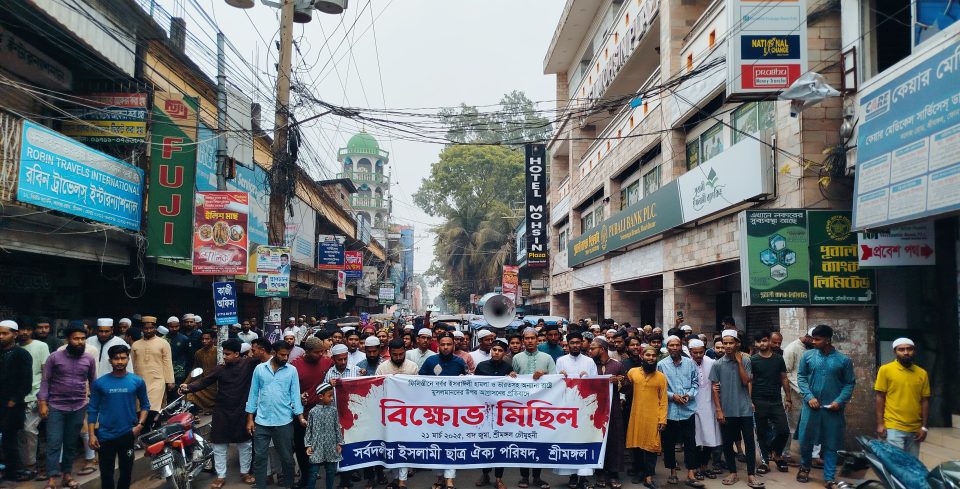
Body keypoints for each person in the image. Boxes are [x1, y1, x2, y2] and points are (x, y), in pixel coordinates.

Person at [181, 339, 259, 487]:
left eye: (228, 354)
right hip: (222, 411)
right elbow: (204, 381)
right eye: (224, 353)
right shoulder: (220, 369)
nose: (224, 356)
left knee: (245, 444)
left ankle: (245, 473)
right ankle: (221, 476)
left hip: (242, 411)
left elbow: (265, 357)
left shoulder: (249, 364)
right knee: (219, 445)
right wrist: (188, 387)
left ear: (237, 354)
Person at [794, 325, 855, 488]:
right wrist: (809, 397)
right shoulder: (807, 356)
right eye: (813, 338)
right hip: (811, 407)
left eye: (817, 339)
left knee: (831, 443)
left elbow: (849, 383)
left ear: (827, 340)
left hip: (832, 410)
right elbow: (801, 377)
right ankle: (805, 467)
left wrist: (839, 401)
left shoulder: (843, 360)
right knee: (806, 440)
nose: (813, 342)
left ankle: (829, 477)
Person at [38, 323, 97, 489]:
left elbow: (93, 383)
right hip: (56, 406)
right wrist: (43, 402)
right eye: (76, 338)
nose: (80, 341)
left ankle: (67, 475)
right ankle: (51, 479)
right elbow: (45, 381)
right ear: (68, 339)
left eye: (83, 338)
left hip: (79, 406)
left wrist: (95, 404)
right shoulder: (55, 357)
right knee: (54, 442)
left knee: (71, 443)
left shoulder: (89, 359)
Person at [87, 345, 149, 489]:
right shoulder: (99, 383)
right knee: (106, 474)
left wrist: (140, 425)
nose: (120, 361)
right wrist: (91, 435)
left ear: (128, 359)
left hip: (127, 434)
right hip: (105, 435)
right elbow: (92, 409)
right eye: (116, 358)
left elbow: (145, 405)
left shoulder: (137, 381)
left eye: (123, 358)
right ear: (110, 360)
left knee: (126, 472)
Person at [246, 341, 306, 489]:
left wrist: (300, 417)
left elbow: (295, 396)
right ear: (274, 352)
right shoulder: (259, 369)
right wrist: (250, 419)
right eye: (282, 355)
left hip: (284, 421)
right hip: (261, 421)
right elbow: (253, 394)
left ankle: (289, 485)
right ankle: (260, 486)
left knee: (287, 459)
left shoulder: (291, 370)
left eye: (287, 355)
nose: (285, 358)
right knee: (259, 458)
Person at [708, 329, 763, 488]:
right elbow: (714, 388)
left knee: (749, 443)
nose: (728, 346)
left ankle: (751, 475)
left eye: (731, 343)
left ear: (737, 343)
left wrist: (739, 362)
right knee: (727, 443)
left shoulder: (746, 360)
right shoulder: (717, 364)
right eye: (725, 343)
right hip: (727, 410)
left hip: (744, 409)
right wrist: (719, 410)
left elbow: (746, 381)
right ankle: (733, 472)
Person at [418, 335, 466, 489]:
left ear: (454, 345)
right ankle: (439, 478)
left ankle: (450, 480)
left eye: (449, 344)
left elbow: (468, 384)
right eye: (443, 344)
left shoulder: (460, 362)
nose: (446, 347)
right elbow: (419, 382)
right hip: (433, 411)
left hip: (454, 412)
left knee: (451, 444)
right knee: (435, 443)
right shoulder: (431, 361)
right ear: (438, 345)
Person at [511, 327, 555, 489]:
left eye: (532, 338)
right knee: (523, 442)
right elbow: (512, 380)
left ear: (538, 340)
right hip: (522, 407)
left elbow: (555, 381)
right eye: (526, 338)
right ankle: (524, 477)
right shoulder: (517, 358)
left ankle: (537, 477)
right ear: (523, 341)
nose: (529, 341)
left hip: (541, 408)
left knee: (539, 442)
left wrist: (544, 375)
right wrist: (512, 376)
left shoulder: (547, 358)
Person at [656, 336, 701, 488]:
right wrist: (672, 396)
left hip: (688, 410)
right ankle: (672, 473)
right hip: (670, 411)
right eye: (671, 345)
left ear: (681, 347)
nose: (674, 348)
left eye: (677, 345)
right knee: (669, 443)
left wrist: (689, 395)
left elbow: (696, 383)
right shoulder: (661, 365)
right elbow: (659, 387)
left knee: (690, 442)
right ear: (667, 347)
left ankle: (691, 473)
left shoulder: (690, 363)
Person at [875, 338, 930, 457]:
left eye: (909, 349)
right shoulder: (885, 370)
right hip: (893, 426)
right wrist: (880, 423)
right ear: (895, 352)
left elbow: (925, 401)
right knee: (897, 463)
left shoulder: (922, 373)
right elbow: (880, 397)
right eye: (901, 349)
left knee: (912, 465)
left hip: (915, 429)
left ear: (914, 351)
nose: (906, 352)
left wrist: (924, 427)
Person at [290, 337, 334, 489]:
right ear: (307, 352)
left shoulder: (327, 361)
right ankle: (305, 478)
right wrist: (298, 397)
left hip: (322, 414)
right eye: (317, 352)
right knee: (303, 449)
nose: (321, 354)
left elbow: (341, 369)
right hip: (301, 415)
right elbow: (287, 389)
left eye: (323, 351)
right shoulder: (294, 365)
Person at [625, 346, 668, 489]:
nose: (650, 358)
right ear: (642, 356)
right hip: (636, 416)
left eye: (653, 356)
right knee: (636, 446)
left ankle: (648, 477)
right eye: (647, 355)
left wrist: (662, 419)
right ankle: (639, 472)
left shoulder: (661, 377)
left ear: (656, 358)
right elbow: (624, 388)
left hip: (653, 417)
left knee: (651, 448)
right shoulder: (632, 373)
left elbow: (663, 400)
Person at [750, 331, 792, 474]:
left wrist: (788, 398)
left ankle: (777, 454)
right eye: (758, 341)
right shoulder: (753, 360)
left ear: (769, 341)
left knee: (784, 431)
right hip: (758, 401)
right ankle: (764, 462)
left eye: (764, 340)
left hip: (775, 401)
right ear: (755, 344)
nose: (762, 344)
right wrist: (750, 400)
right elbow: (749, 382)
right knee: (761, 433)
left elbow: (784, 378)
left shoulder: (778, 359)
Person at [474, 341, 514, 489]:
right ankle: (485, 474)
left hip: (502, 414)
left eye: (500, 350)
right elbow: (474, 386)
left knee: (500, 445)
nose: (496, 352)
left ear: (504, 353)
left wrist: (512, 377)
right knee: (485, 445)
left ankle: (499, 478)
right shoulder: (482, 366)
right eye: (494, 349)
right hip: (484, 412)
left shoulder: (508, 368)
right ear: (491, 351)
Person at [589, 338, 627, 488]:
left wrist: (619, 381)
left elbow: (627, 387)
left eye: (593, 348)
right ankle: (600, 473)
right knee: (597, 439)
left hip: (614, 409)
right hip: (595, 410)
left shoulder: (617, 365)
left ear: (602, 349)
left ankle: (613, 474)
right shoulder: (591, 366)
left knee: (614, 440)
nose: (590, 351)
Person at [14, 320, 49, 482]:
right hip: (17, 398)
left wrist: (43, 397)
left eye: (28, 329)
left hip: (35, 396)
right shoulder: (12, 348)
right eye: (21, 329)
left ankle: (30, 466)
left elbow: (46, 373)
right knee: (20, 432)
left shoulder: (41, 346)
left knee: (29, 431)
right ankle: (23, 465)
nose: (24, 332)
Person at [0, 320, 33, 487]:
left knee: (9, 441)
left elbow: (26, 382)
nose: (1, 337)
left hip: (12, 406)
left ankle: (11, 475)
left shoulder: (21, 354)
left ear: (15, 334)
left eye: (5, 333)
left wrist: (14, 400)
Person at [131, 316, 174, 427]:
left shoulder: (163, 343)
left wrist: (170, 380)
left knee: (152, 407)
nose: (148, 331)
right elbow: (132, 364)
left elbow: (167, 362)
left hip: (157, 380)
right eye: (146, 328)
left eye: (151, 328)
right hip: (140, 381)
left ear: (155, 328)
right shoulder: (135, 345)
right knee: (140, 407)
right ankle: (150, 431)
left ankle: (149, 429)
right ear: (142, 329)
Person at [303, 383, 341, 489]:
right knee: (313, 472)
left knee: (330, 471)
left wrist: (339, 443)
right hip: (316, 447)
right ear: (320, 397)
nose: (332, 398)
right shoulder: (313, 412)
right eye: (330, 396)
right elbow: (309, 430)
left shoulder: (333, 411)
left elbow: (337, 427)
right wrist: (308, 445)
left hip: (331, 446)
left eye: (332, 396)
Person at [187, 330, 219, 411]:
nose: (204, 341)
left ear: (213, 339)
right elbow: (195, 369)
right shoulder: (198, 353)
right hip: (204, 383)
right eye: (203, 339)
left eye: (207, 339)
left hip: (217, 384)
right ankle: (193, 415)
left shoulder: (219, 351)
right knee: (189, 394)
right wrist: (185, 383)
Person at [165, 317, 193, 389]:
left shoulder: (184, 339)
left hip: (180, 372)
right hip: (166, 371)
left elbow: (189, 357)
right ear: (167, 326)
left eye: (176, 326)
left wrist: (187, 371)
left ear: (179, 326)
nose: (174, 329)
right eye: (172, 327)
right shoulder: (163, 339)